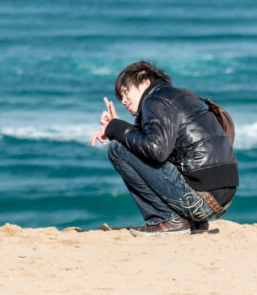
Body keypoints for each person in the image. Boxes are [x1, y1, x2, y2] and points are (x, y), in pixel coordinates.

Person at [93, 61, 238, 236]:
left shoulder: (155, 100)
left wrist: (117, 128)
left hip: (202, 200)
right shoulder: (177, 97)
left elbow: (156, 151)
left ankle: (167, 220)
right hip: (220, 199)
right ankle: (192, 221)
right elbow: (159, 145)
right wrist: (122, 128)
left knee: (117, 149)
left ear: (145, 82)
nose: (123, 101)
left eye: (125, 92)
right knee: (127, 144)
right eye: (120, 97)